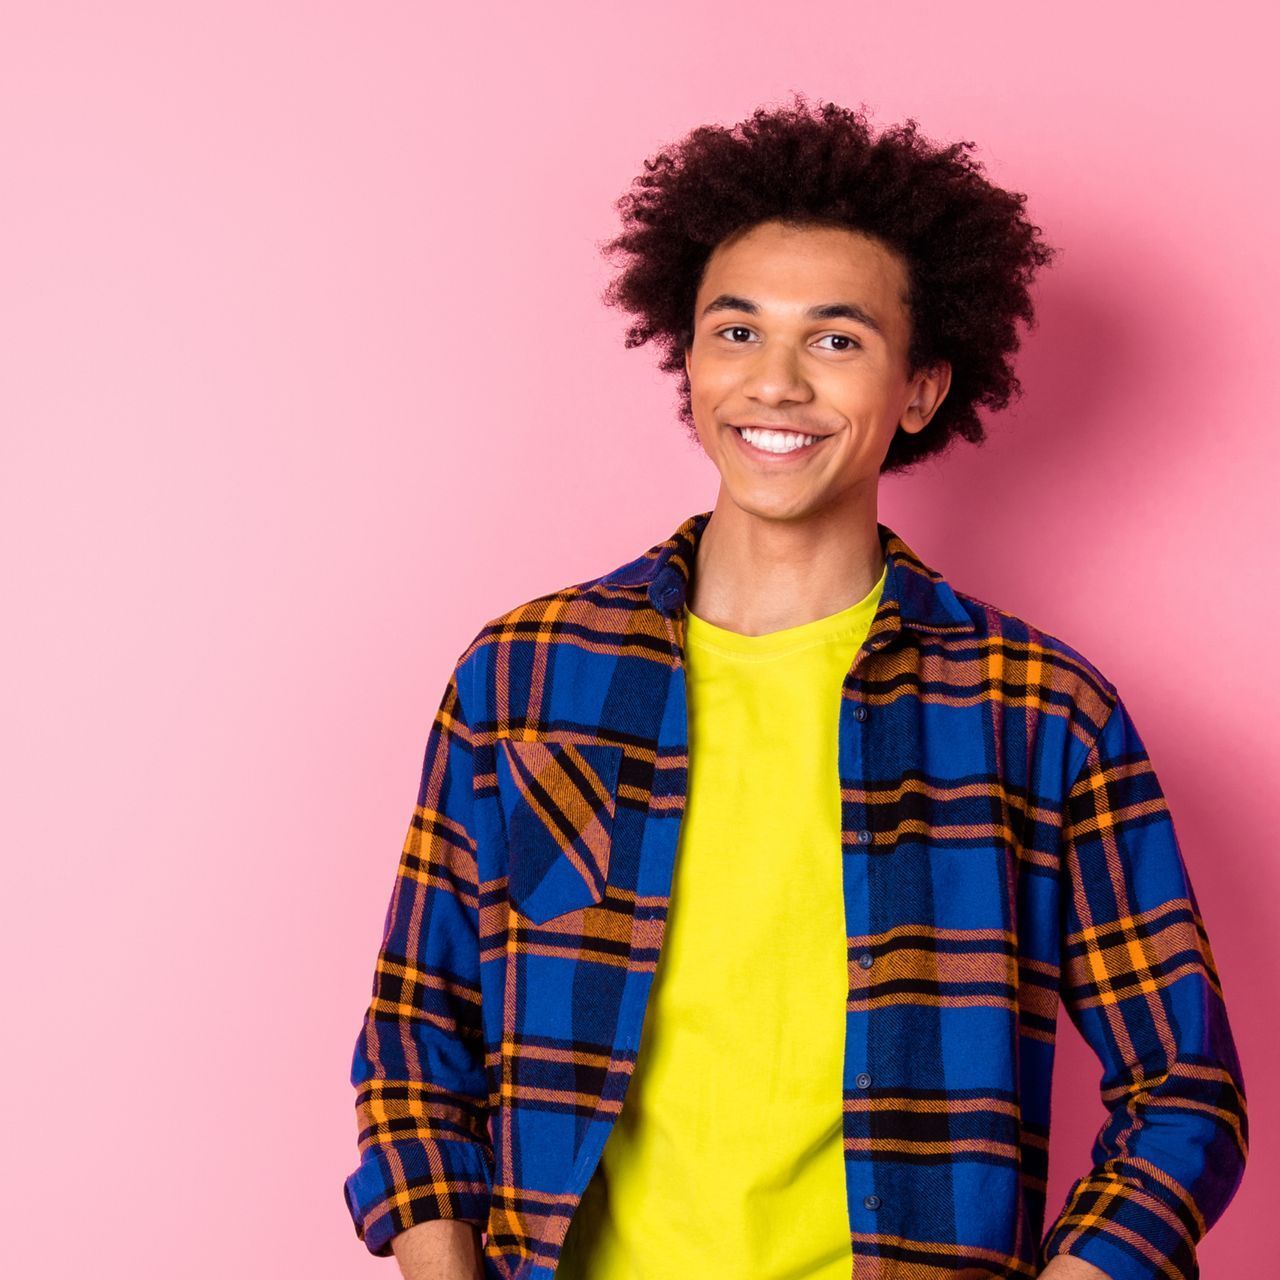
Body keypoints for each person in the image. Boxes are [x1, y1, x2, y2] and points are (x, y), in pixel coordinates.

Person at [342, 95, 1248, 1280]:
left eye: (833, 340)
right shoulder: (523, 674)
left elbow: (1183, 1092)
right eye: (734, 332)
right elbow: (417, 1040)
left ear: (918, 388)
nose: (773, 382)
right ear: (684, 356)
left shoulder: (1036, 712)